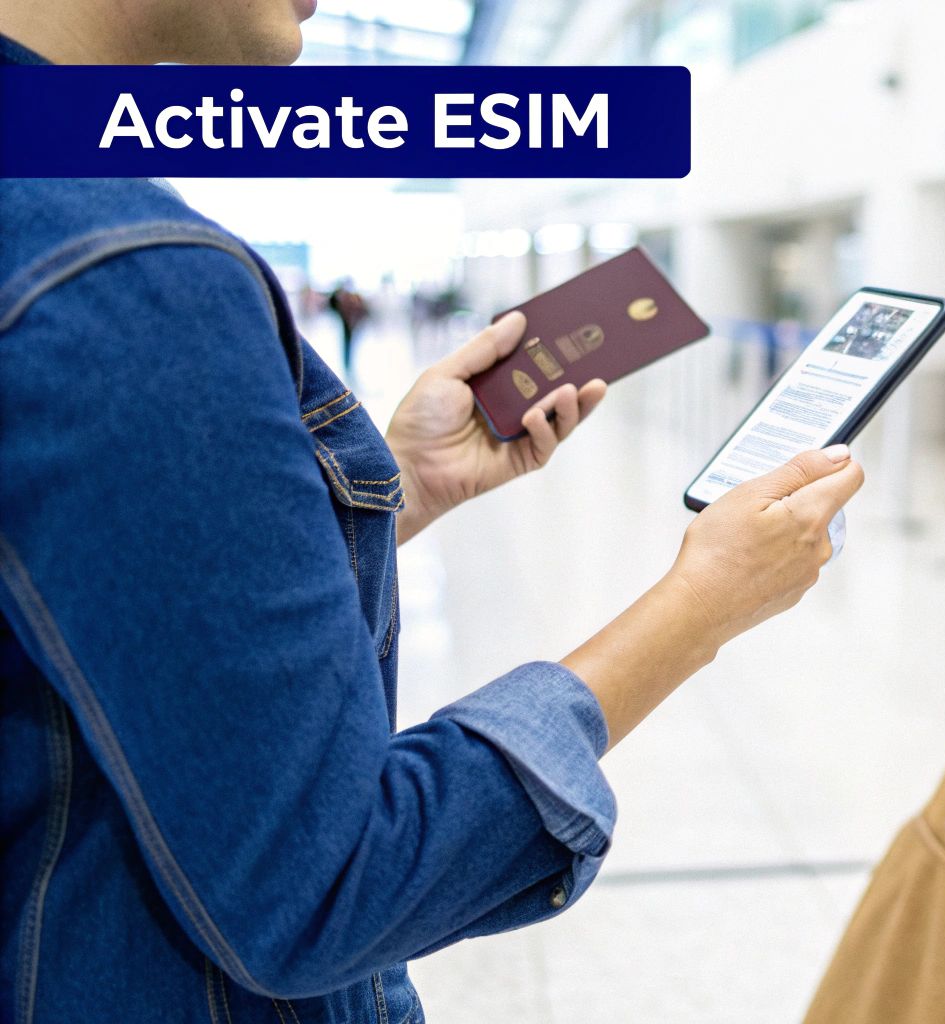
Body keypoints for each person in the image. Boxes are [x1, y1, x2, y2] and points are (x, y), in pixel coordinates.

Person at [0, 3, 864, 1023]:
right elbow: (323, 883)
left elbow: (96, 613)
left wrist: (401, 480)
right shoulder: (133, 281)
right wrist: (702, 604)